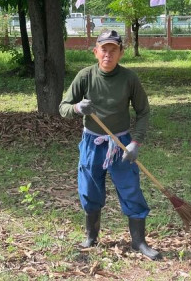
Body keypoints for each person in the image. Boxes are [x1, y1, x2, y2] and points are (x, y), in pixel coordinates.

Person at [59, 30, 161, 260]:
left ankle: (139, 242)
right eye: (103, 49)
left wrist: (136, 142)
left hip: (121, 143)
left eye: (113, 49)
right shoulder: (85, 76)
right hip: (92, 142)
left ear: (121, 53)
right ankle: (91, 237)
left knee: (130, 188)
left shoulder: (129, 78)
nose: (108, 54)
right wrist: (77, 108)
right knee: (89, 189)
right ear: (96, 51)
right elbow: (63, 107)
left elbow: (143, 112)